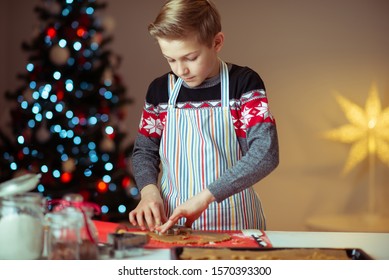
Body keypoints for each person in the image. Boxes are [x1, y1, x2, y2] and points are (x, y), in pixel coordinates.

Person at [129, 0, 279, 233]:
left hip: (236, 223)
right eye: (171, 59)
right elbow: (144, 151)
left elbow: (266, 153)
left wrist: (205, 198)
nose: (180, 70)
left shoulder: (244, 84)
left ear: (216, 42)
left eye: (190, 58)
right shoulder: (160, 91)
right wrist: (149, 192)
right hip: (174, 225)